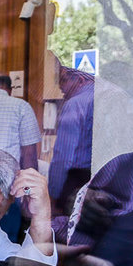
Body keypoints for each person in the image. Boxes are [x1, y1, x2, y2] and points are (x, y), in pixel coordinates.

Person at [48, 57, 95, 215]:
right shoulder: (99, 97)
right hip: (94, 177)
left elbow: (63, 156)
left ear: (79, 80)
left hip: (76, 180)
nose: (60, 89)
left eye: (62, 82)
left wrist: (52, 195)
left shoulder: (75, 104)